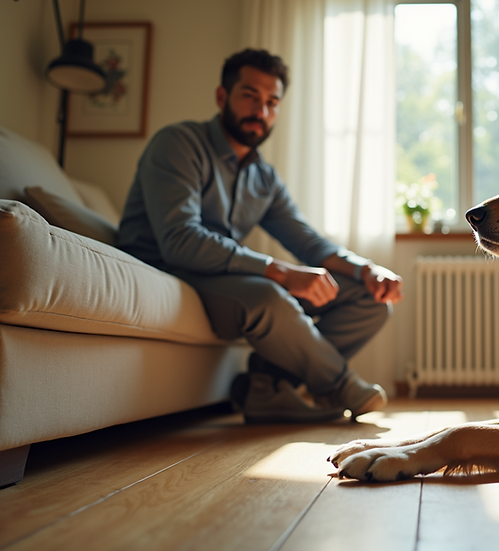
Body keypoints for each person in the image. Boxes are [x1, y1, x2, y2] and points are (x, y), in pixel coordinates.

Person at [116, 48, 403, 423]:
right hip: (165, 269)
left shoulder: (263, 178)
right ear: (223, 97)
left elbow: (308, 242)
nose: (261, 111)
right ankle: (340, 385)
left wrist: (366, 269)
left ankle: (264, 386)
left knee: (371, 299)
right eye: (250, 96)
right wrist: (281, 273)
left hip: (223, 276)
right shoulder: (178, 144)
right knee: (269, 294)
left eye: (272, 102)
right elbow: (180, 240)